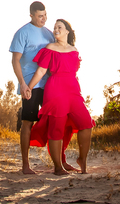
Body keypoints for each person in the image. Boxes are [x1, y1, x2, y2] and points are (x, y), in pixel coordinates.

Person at [24, 18, 94, 174]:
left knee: (86, 124)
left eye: (59, 27)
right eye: (55, 27)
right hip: (55, 89)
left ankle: (82, 158)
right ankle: (58, 167)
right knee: (56, 129)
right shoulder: (50, 48)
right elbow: (41, 71)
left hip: (73, 91)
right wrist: (29, 87)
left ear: (67, 31)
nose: (56, 29)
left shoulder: (74, 50)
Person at [9, 1, 54, 174]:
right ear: (31, 16)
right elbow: (15, 60)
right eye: (40, 16)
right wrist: (22, 83)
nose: (44, 19)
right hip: (29, 85)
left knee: (54, 119)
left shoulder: (49, 34)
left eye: (45, 15)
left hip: (48, 83)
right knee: (27, 121)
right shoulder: (22, 33)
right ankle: (26, 165)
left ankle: (59, 162)